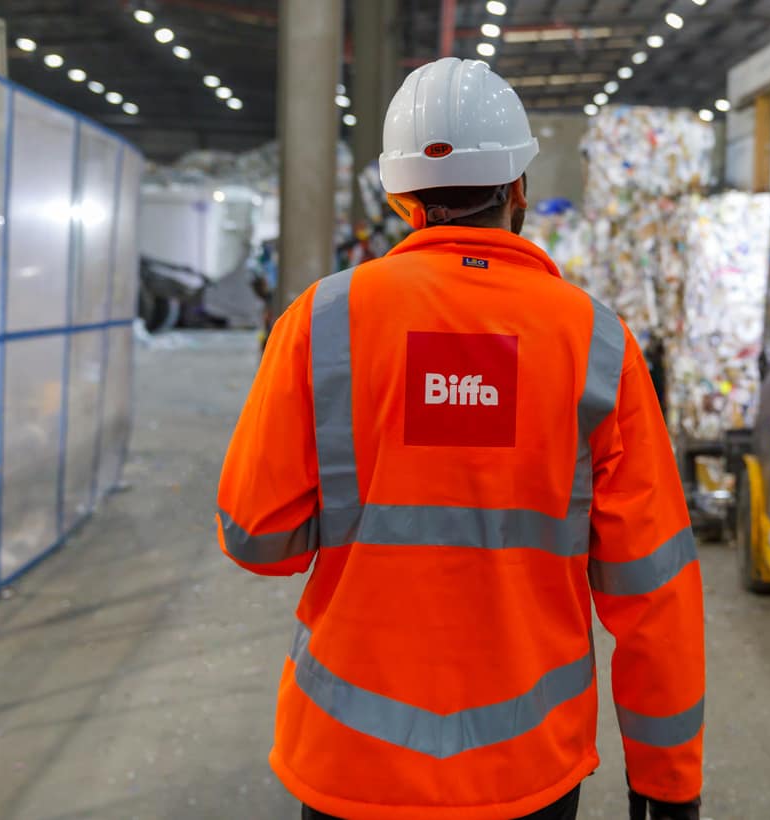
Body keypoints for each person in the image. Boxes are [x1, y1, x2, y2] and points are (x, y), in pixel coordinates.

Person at [215, 57, 705, 820]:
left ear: (402, 199)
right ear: (518, 191)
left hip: (351, 762)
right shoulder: (596, 343)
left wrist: (365, 494)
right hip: (526, 772)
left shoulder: (323, 321)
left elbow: (256, 539)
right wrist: (667, 781)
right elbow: (654, 588)